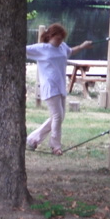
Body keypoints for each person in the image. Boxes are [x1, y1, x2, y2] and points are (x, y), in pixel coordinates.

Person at [25, 23, 92, 155]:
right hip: (49, 86)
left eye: (62, 38)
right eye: (58, 38)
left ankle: (33, 139)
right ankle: (55, 146)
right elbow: (23, 49)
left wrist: (83, 46)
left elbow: (71, 51)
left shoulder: (62, 47)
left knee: (59, 117)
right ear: (50, 35)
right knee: (57, 116)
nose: (60, 41)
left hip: (60, 85)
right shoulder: (42, 48)